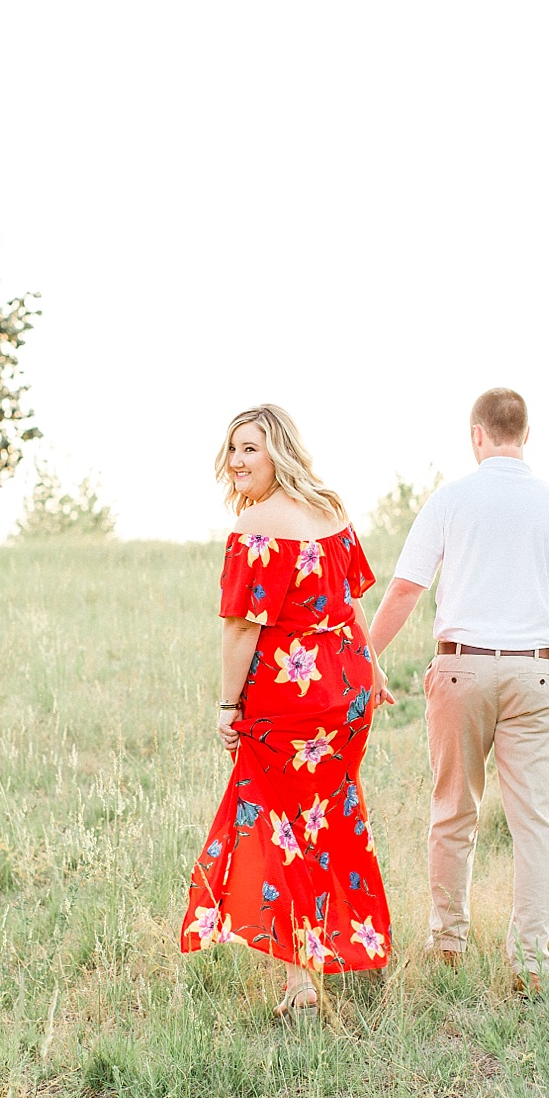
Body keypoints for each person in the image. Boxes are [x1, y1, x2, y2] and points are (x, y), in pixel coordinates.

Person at [366, 387, 549, 995]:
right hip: (537, 673)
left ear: (476, 435)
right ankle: (528, 959)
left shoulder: (450, 500)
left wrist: (365, 657)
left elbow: (405, 591)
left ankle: (447, 943)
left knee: (452, 811)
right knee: (536, 823)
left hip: (461, 671)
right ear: (525, 434)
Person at [179, 404, 395, 1018]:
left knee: (283, 828)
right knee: (327, 815)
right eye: (232, 449)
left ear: (280, 452)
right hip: (346, 688)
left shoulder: (258, 529)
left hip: (293, 701)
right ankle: (340, 947)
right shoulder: (331, 510)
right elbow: (350, 603)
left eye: (250, 448)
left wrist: (227, 705)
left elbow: (240, 631)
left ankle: (303, 979)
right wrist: (372, 669)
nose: (236, 461)